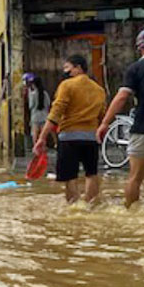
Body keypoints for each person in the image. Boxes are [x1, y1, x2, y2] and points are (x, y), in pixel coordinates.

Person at [96, 28, 144, 210]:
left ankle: (130, 214)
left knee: (134, 178)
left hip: (141, 129)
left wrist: (105, 123)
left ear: (139, 47)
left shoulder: (135, 69)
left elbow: (122, 97)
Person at [33, 55, 106, 203]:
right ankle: (90, 206)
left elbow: (55, 114)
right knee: (91, 173)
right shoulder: (99, 89)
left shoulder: (67, 85)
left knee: (70, 177)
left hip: (69, 138)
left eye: (68, 68)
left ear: (78, 68)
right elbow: (102, 116)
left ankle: (74, 208)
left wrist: (41, 138)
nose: (65, 72)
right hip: (91, 138)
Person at [24, 73, 52, 149]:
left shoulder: (33, 94)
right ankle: (43, 148)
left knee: (35, 133)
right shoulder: (45, 93)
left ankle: (36, 148)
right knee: (43, 134)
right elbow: (48, 103)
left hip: (35, 116)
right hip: (44, 116)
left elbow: (31, 106)